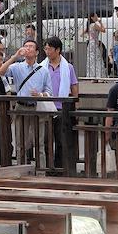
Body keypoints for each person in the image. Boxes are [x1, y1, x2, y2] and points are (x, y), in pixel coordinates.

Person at [0, 39, 51, 163]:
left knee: (39, 143)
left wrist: (40, 94)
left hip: (37, 107)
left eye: (31, 46)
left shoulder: (43, 70)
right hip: (21, 107)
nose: (27, 48)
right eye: (25, 46)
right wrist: (15, 56)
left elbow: (49, 92)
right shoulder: (17, 67)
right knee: (20, 142)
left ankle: (40, 172)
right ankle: (21, 169)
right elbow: (1, 71)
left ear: (37, 52)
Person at [43, 36, 79, 169]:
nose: (47, 52)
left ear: (58, 50)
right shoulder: (42, 67)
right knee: (46, 140)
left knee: (61, 140)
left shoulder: (68, 67)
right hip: (46, 107)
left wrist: (75, 104)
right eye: (45, 49)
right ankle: (48, 166)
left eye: (50, 49)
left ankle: (59, 167)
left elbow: (74, 85)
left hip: (61, 107)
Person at [82, 12, 105, 81]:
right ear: (92, 17)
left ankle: (93, 76)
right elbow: (103, 30)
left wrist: (89, 37)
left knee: (91, 60)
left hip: (90, 43)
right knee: (97, 59)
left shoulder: (89, 25)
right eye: (96, 16)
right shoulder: (94, 25)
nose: (97, 17)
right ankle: (99, 76)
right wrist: (100, 23)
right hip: (94, 43)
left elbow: (82, 34)